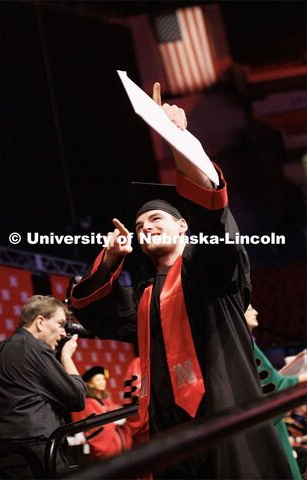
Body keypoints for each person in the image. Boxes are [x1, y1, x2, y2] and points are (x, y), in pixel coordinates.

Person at [71, 83, 293, 479]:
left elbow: (214, 217)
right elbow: (92, 312)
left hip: (226, 421)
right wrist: (108, 264)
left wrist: (176, 138)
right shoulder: (142, 299)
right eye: (139, 226)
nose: (145, 228)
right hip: (169, 436)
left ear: (184, 226)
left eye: (155, 219)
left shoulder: (213, 272)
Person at [0, 295, 86, 479]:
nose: (64, 333)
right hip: (35, 459)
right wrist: (66, 357)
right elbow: (77, 397)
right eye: (60, 324)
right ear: (40, 322)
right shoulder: (35, 348)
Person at [245, 304, 306, 480]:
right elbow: (274, 387)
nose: (256, 312)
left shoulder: (249, 343)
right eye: (249, 309)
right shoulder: (247, 345)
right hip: (267, 428)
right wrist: (302, 378)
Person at [71, 366, 132, 460]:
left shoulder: (108, 401)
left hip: (121, 445)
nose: (102, 382)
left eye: (103, 379)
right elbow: (94, 428)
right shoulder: (88, 403)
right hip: (107, 449)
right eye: (98, 379)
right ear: (90, 384)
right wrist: (113, 423)